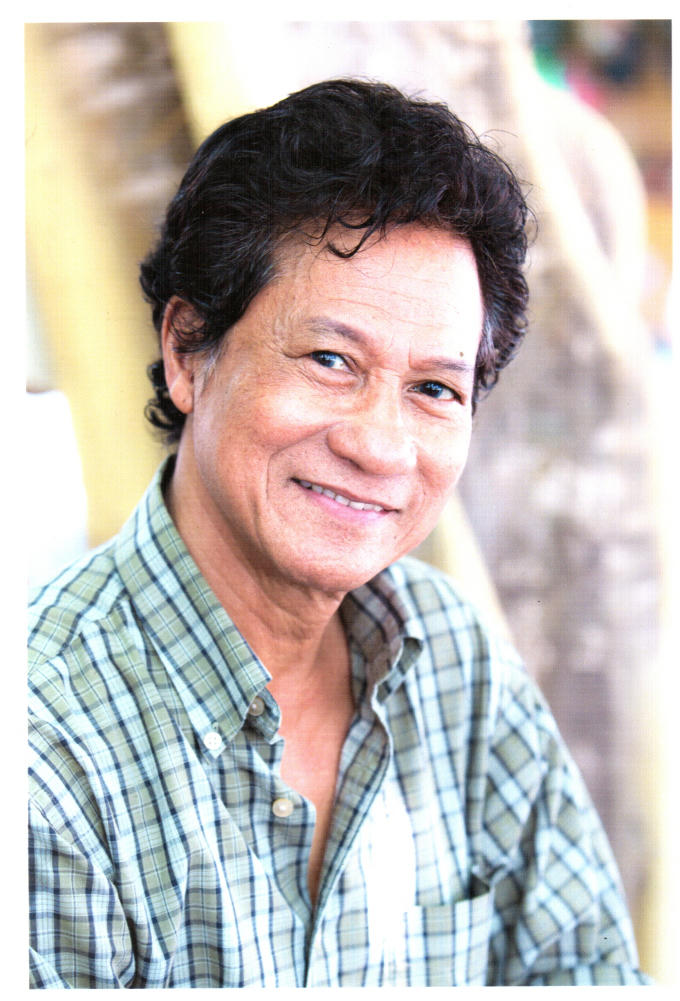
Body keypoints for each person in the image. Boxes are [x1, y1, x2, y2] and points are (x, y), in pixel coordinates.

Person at [28, 79, 650, 988]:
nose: (379, 445)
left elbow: (589, 972)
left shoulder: (453, 661)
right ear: (189, 349)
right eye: (330, 359)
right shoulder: (41, 752)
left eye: (434, 389)